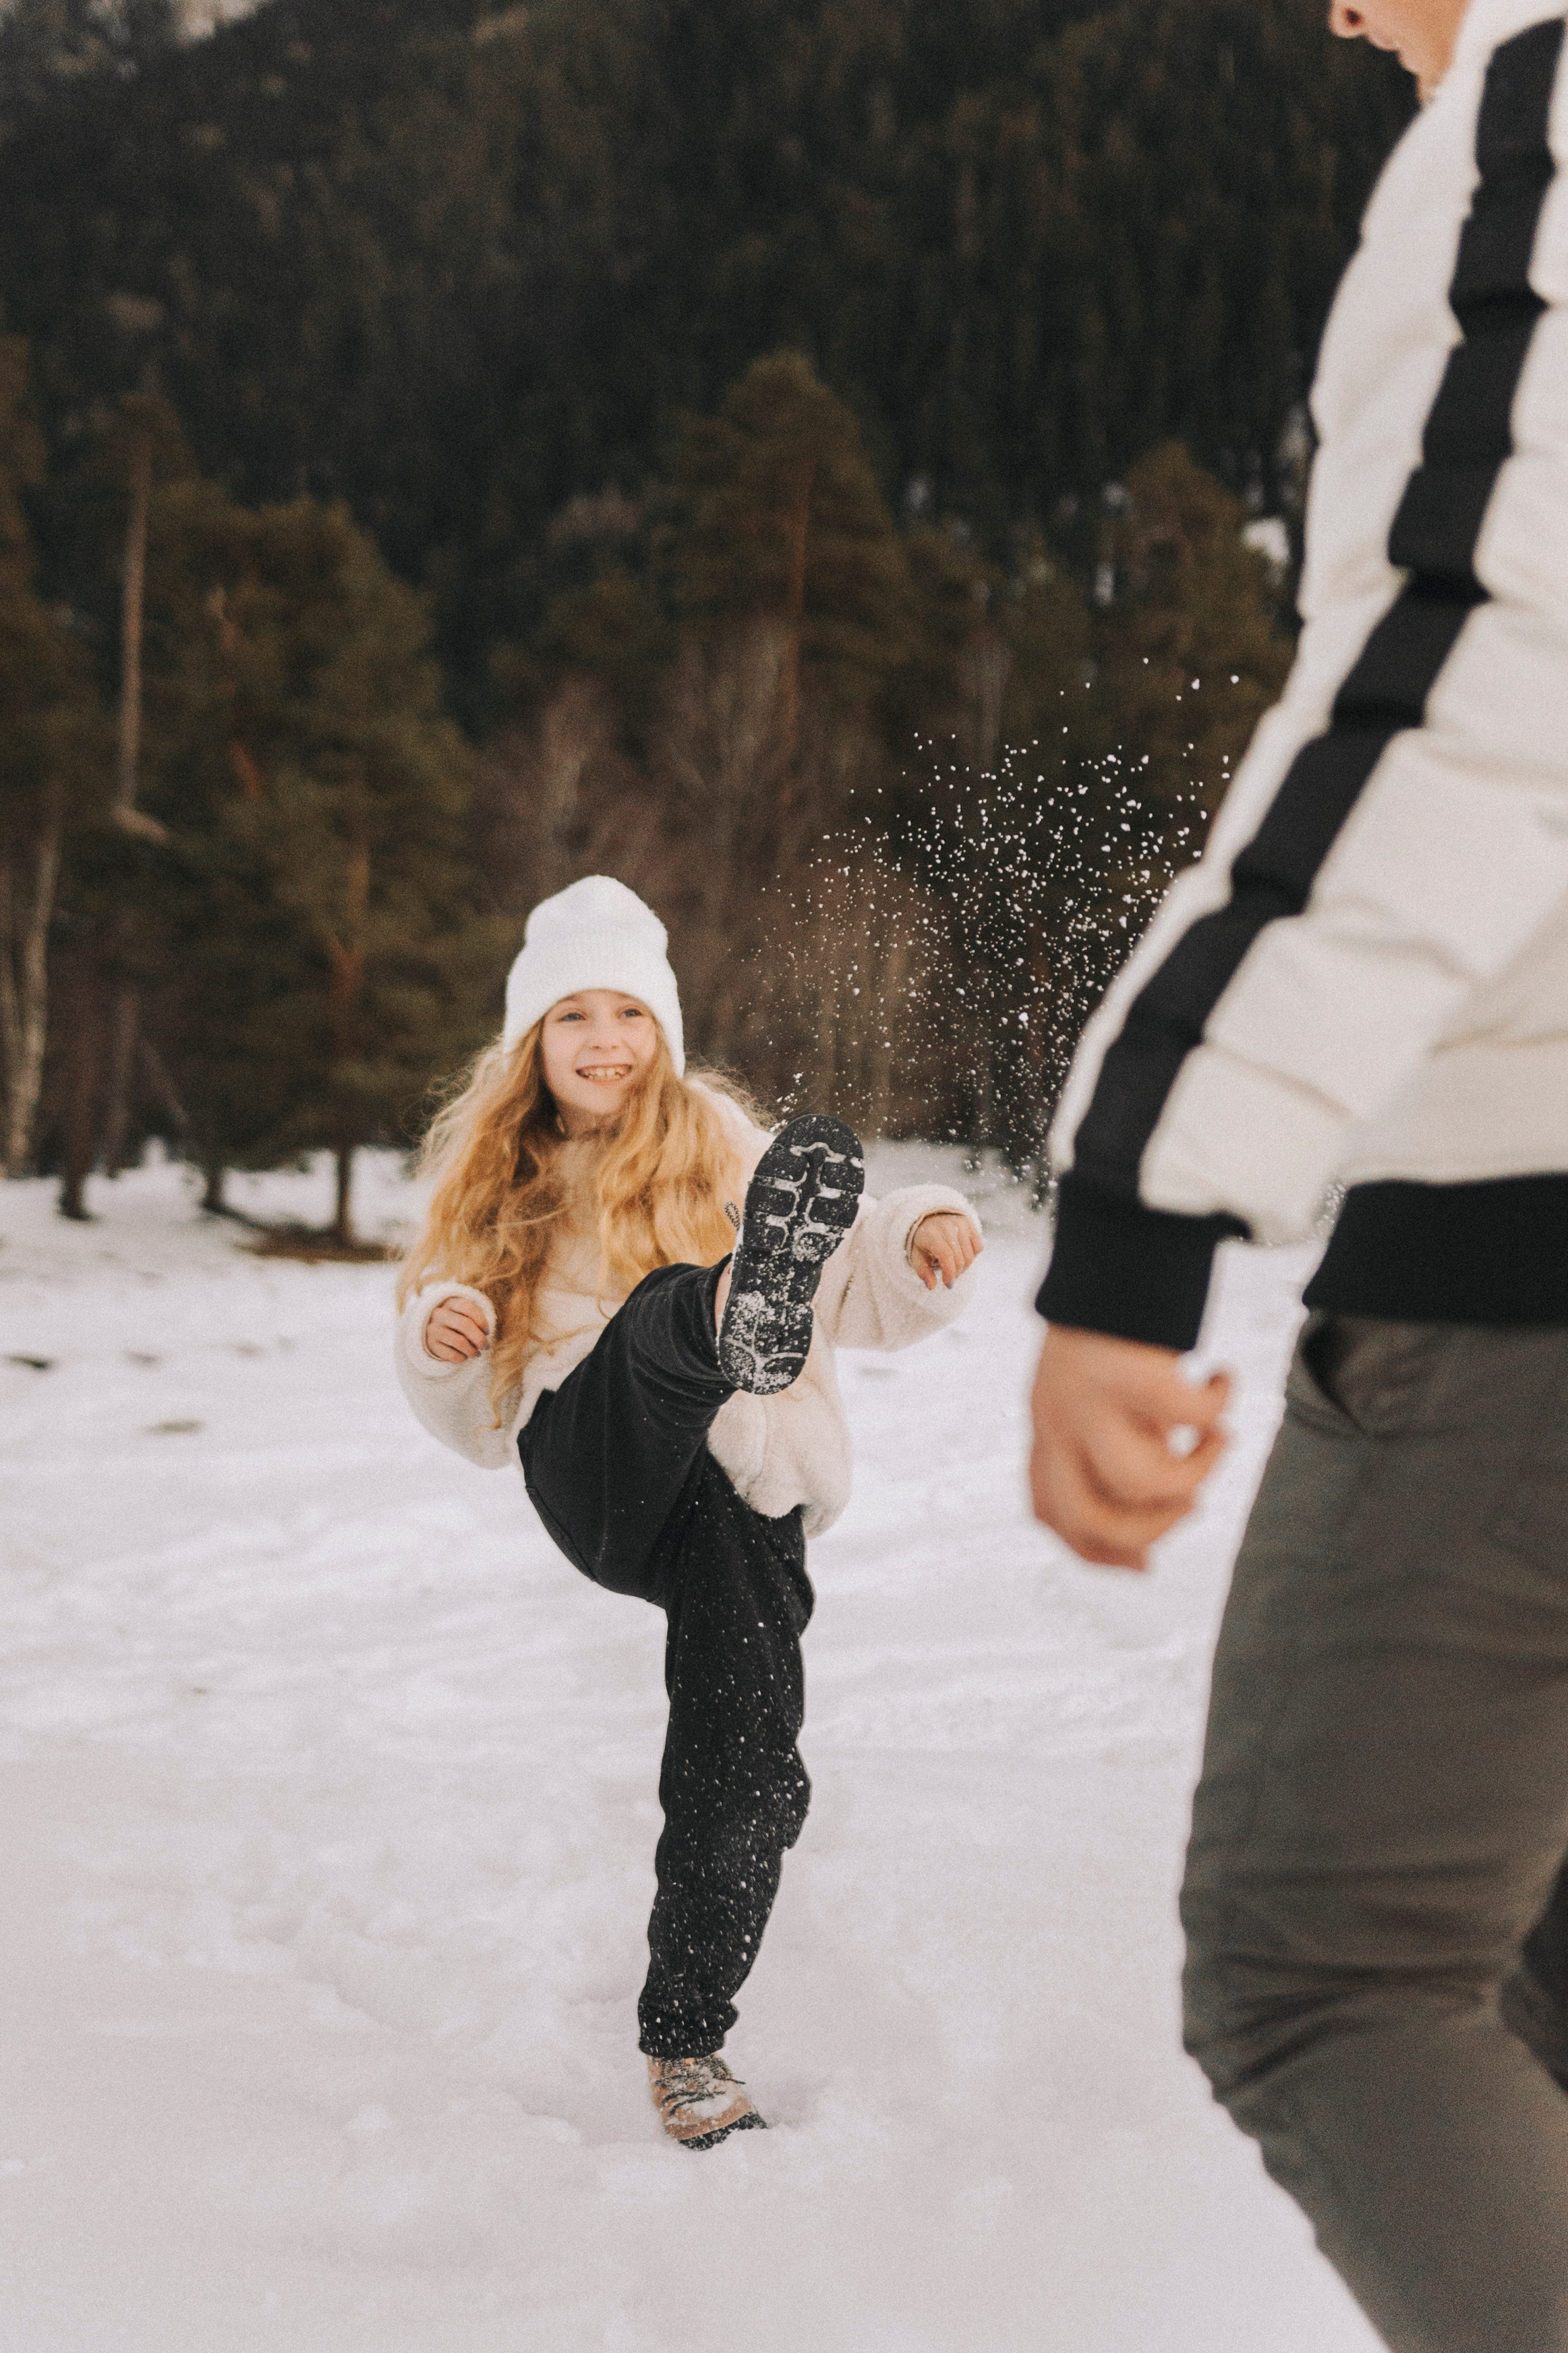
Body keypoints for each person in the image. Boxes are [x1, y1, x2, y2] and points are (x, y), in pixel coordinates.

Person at [1028, 1, 1568, 2344]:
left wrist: (1145, 1195)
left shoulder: (1537, 107)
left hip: (1524, 1269)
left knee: (1325, 1972)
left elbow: (1458, 665)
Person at [395, 876, 982, 2149]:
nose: (606, 1041)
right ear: (531, 1041)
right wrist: (444, 1339)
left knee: (747, 1768)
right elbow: (462, 1396)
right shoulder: (505, 1172)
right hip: (595, 1461)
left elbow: (861, 1270)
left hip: (737, 1494)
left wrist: (918, 1235)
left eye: (629, 1014)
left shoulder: (720, 1138)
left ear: (661, 1027)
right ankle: (725, 1316)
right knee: (672, 1315)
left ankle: (686, 2040)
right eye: (574, 1017)